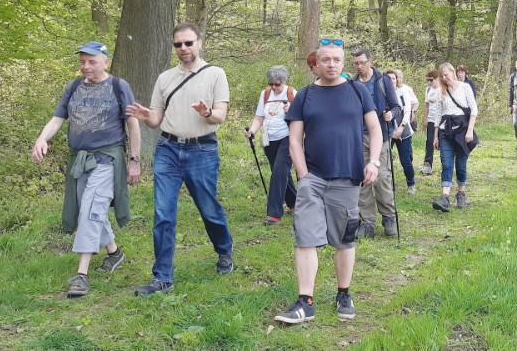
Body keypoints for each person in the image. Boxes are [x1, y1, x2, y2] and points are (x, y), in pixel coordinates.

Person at [273, 39, 382, 324]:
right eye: (326, 60)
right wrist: (303, 175)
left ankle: (343, 293)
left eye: (336, 59)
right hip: (313, 178)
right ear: (316, 63)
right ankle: (305, 301)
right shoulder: (305, 96)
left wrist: (374, 161)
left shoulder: (358, 92)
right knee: (305, 236)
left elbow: (375, 128)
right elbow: (295, 139)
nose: (331, 64)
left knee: (344, 240)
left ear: (343, 62)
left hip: (348, 177)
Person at [127, 22, 234, 296]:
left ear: (199, 42)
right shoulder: (165, 78)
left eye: (188, 43)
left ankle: (224, 251)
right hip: (168, 150)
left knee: (208, 208)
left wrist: (206, 112)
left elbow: (220, 116)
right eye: (178, 44)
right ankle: (162, 277)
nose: (183, 48)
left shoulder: (215, 74)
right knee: (163, 214)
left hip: (202, 150)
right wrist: (145, 116)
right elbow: (156, 120)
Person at [31, 42, 141, 297]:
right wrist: (42, 138)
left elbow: (133, 125)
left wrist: (135, 160)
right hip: (80, 161)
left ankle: (82, 275)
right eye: (82, 61)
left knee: (91, 208)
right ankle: (114, 254)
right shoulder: (73, 87)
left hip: (107, 159)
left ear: (106, 61)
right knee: (92, 209)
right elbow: (58, 118)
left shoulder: (118, 86)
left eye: (92, 61)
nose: (86, 66)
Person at [351, 48, 402, 238]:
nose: (359, 66)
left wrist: (391, 114)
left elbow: (396, 106)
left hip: (380, 135)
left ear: (370, 61)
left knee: (380, 177)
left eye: (362, 62)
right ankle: (367, 222)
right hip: (358, 137)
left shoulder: (382, 80)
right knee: (362, 179)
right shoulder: (352, 84)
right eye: (356, 63)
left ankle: (388, 217)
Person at [245, 65, 298, 225]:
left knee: (278, 172)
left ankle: (274, 214)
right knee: (281, 172)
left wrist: (292, 109)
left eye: (277, 84)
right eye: (271, 84)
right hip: (269, 138)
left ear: (284, 81)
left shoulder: (292, 93)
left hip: (287, 136)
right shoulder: (265, 94)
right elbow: (259, 117)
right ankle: (294, 203)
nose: (274, 87)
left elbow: (301, 117)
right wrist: (252, 131)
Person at [431, 63, 477, 211]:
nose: (444, 78)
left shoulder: (465, 87)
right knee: (446, 163)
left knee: (461, 165)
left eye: (447, 75)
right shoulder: (440, 92)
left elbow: (474, 110)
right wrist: (435, 137)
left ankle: (461, 193)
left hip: (462, 130)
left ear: (453, 72)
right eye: (442, 76)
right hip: (446, 130)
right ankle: (444, 197)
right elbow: (438, 115)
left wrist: (470, 131)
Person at [387, 69, 419, 195]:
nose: (391, 81)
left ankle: (411, 184)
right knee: (386, 159)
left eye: (393, 79)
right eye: (388, 79)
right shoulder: (383, 94)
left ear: (397, 79)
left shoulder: (403, 91)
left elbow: (407, 110)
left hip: (403, 129)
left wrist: (401, 127)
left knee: (405, 160)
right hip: (388, 130)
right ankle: (386, 184)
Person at [420, 70, 440, 176]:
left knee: (443, 142)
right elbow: (426, 105)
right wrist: (425, 120)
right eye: (428, 80)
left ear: (437, 79)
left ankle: (445, 165)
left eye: (431, 80)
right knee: (429, 142)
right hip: (431, 120)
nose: (429, 82)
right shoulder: (428, 90)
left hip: (442, 120)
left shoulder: (443, 89)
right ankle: (428, 164)